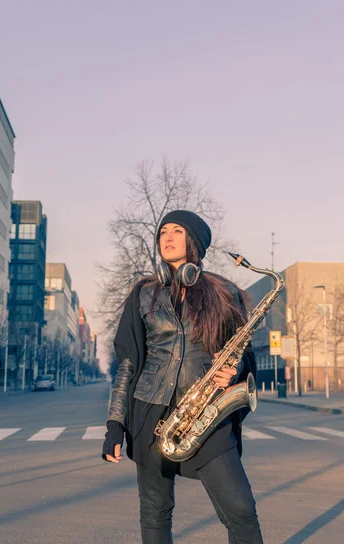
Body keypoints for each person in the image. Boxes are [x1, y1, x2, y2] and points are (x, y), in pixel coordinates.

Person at [102, 210, 263, 544]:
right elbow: (128, 365)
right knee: (155, 512)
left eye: (177, 230)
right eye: (163, 231)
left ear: (194, 243)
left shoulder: (223, 294)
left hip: (205, 414)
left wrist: (234, 373)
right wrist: (115, 425)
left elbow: (243, 352)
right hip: (150, 414)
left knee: (242, 510)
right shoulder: (143, 294)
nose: (168, 236)